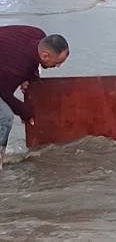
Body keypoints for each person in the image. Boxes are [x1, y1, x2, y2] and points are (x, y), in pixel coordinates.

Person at [0, 26, 69, 169]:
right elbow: (4, 94)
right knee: (5, 116)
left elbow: (30, 61)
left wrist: (30, 77)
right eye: (56, 63)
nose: (58, 66)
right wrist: (26, 113)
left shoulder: (38, 34)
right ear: (45, 56)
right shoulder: (18, 65)